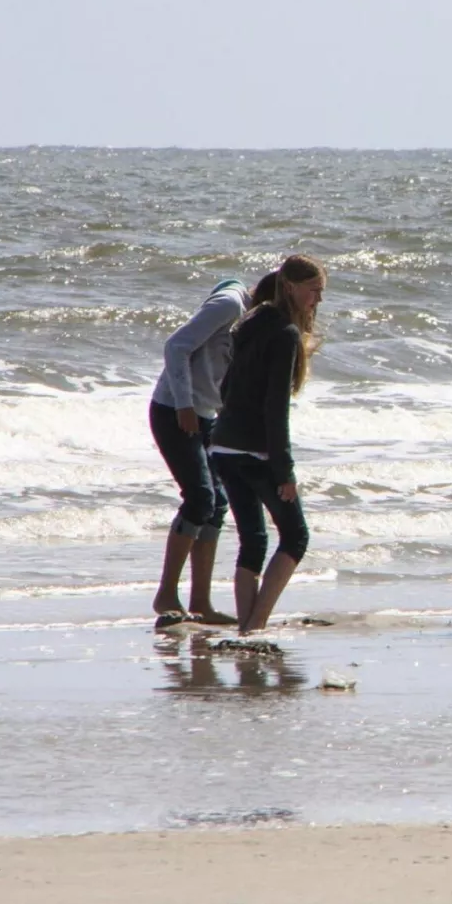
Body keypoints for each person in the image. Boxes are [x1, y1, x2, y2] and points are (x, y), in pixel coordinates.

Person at [209, 254, 326, 635]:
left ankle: (247, 628)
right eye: (314, 290)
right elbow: (276, 410)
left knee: (253, 540)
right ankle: (256, 622)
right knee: (295, 536)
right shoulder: (285, 333)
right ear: (290, 286)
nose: (318, 300)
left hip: (224, 445)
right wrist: (285, 471)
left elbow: (226, 387)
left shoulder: (251, 320)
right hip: (256, 452)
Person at [148, 275, 271, 625]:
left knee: (217, 503)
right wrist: (184, 404)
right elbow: (176, 346)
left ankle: (200, 602)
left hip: (206, 416)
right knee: (200, 498)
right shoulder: (231, 305)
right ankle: (166, 596)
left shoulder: (257, 324)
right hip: (174, 409)